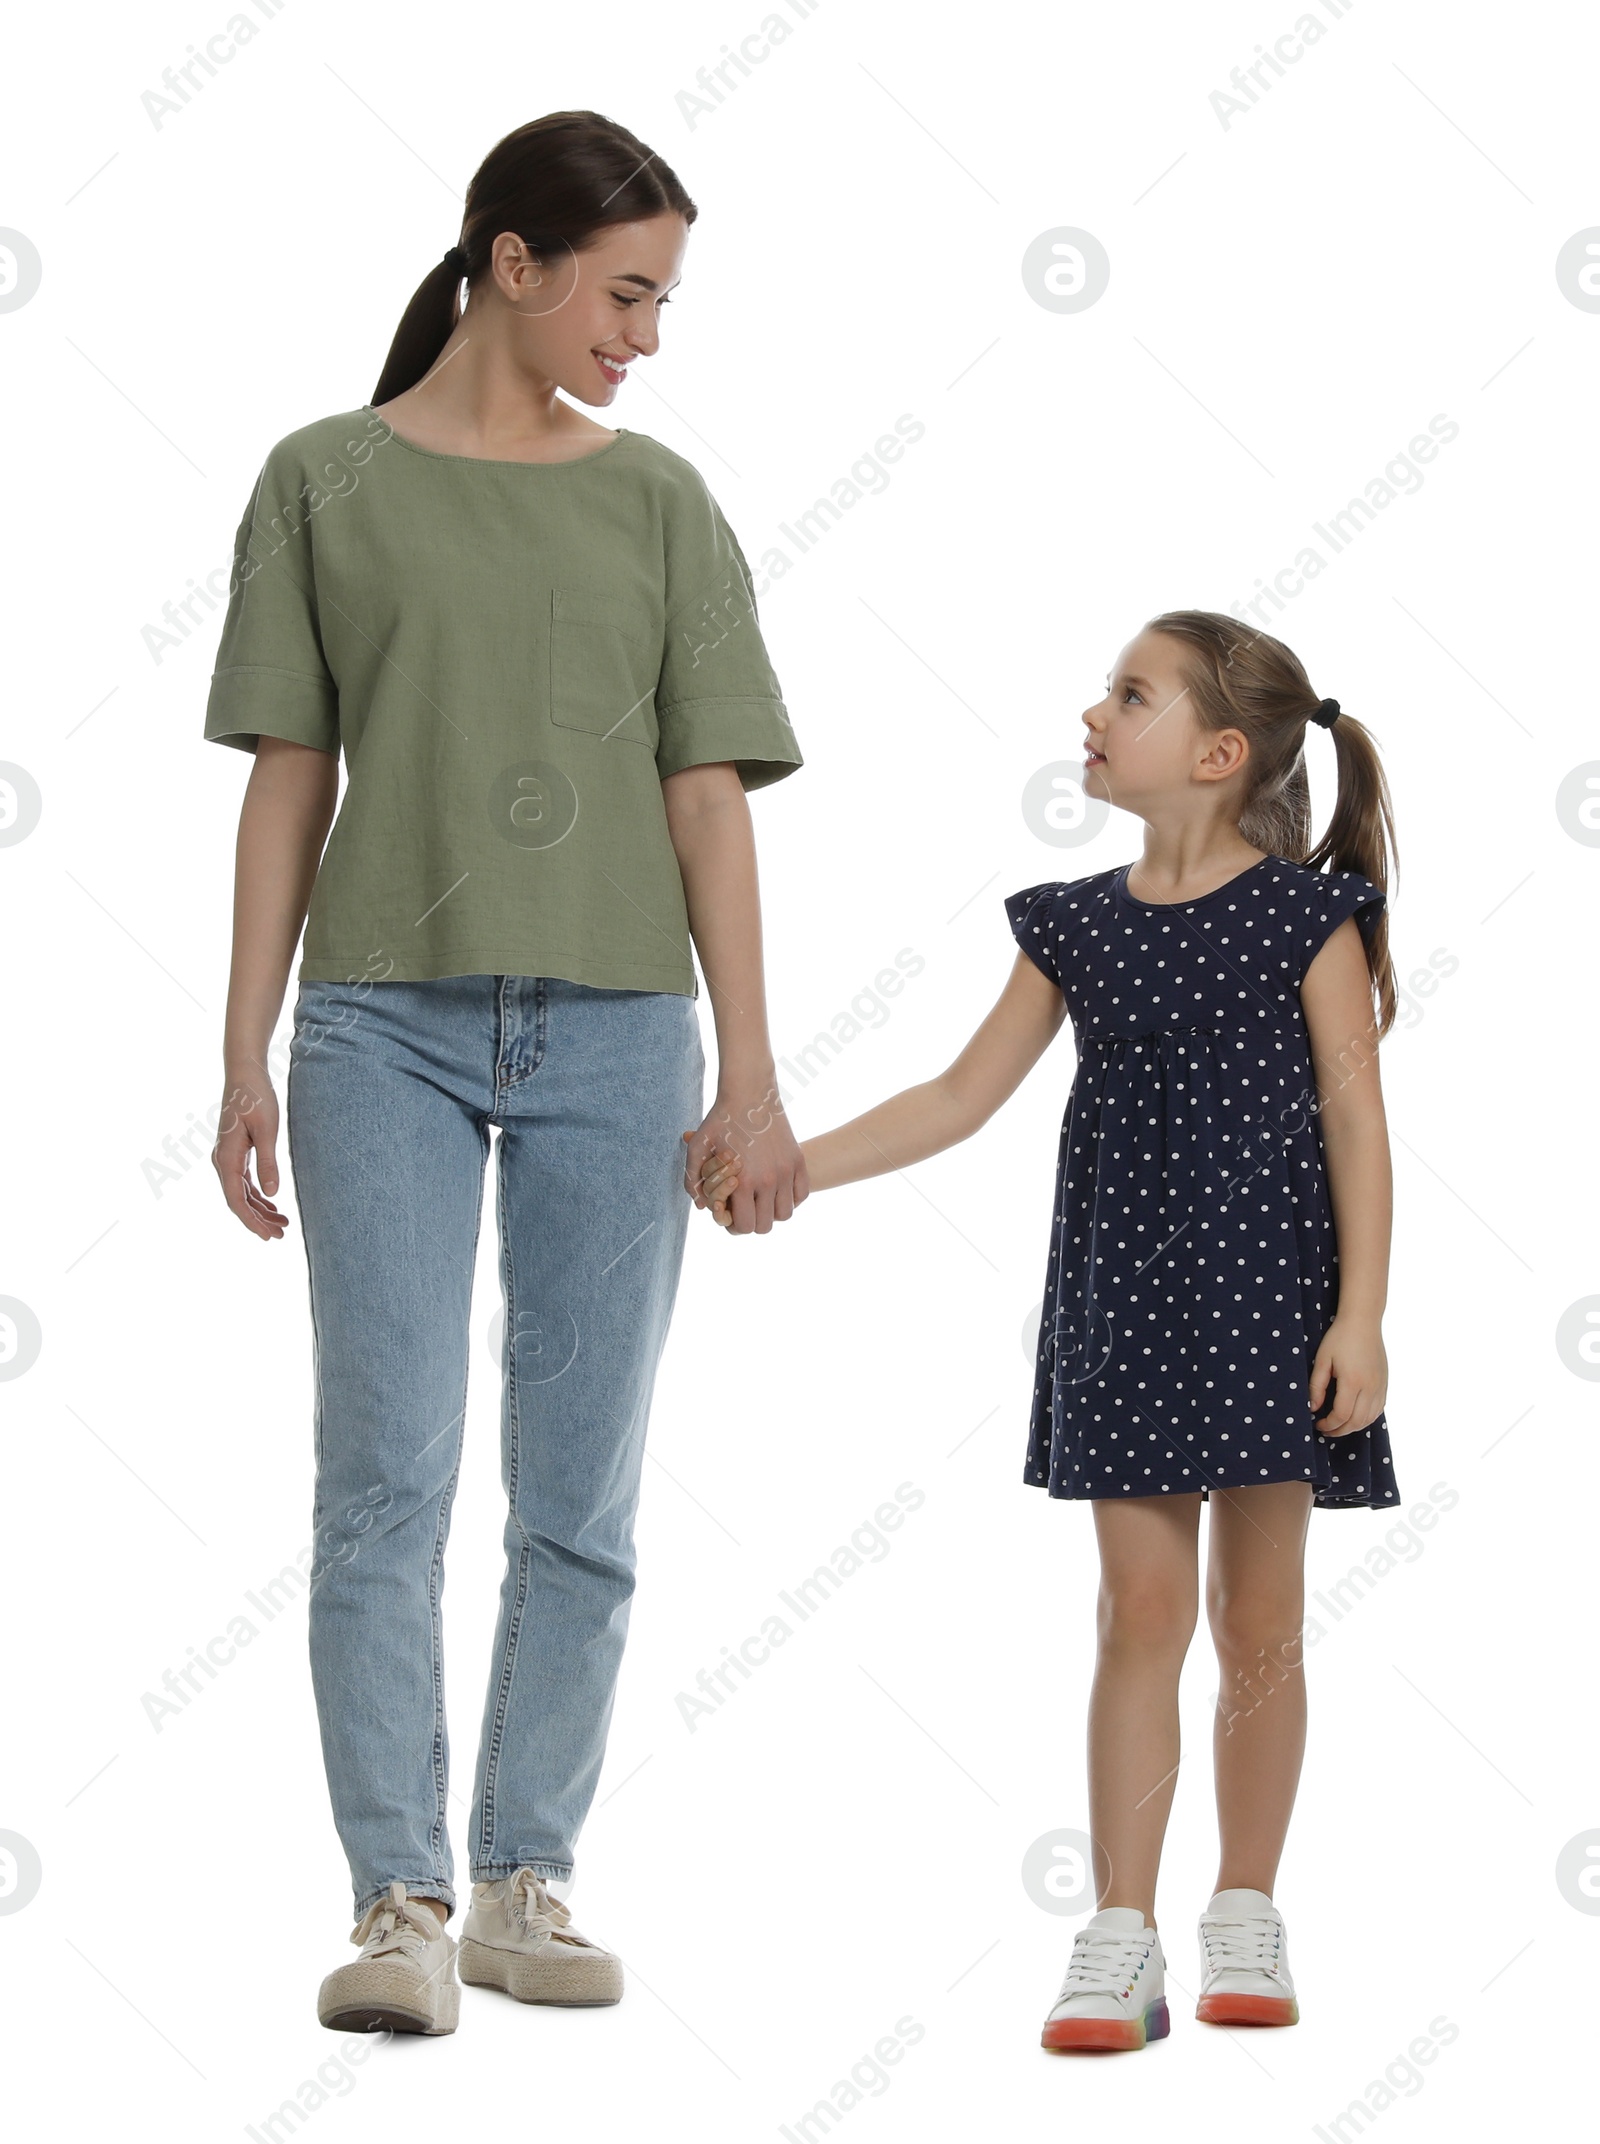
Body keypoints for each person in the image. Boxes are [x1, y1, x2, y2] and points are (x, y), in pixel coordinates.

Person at [205, 110, 807, 2037]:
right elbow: (290, 770)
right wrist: (243, 1044)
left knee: (584, 1493)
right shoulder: (322, 480)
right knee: (382, 1481)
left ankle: (522, 1877)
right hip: (377, 1020)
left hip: (624, 1033)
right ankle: (397, 1900)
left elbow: (705, 798)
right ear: (513, 263)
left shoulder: (662, 503)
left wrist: (760, 1077)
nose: (649, 334)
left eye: (666, 297)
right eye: (627, 292)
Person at [697, 610, 1398, 2053]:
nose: (1092, 712)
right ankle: (1120, 1936)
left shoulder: (1308, 923)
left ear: (1214, 753)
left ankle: (1245, 1911)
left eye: (1127, 695)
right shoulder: (1070, 925)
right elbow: (956, 1100)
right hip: (1128, 1313)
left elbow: (1356, 1124)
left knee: (1258, 1623)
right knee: (1137, 1616)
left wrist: (1365, 1317)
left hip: (1276, 1314)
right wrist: (795, 1160)